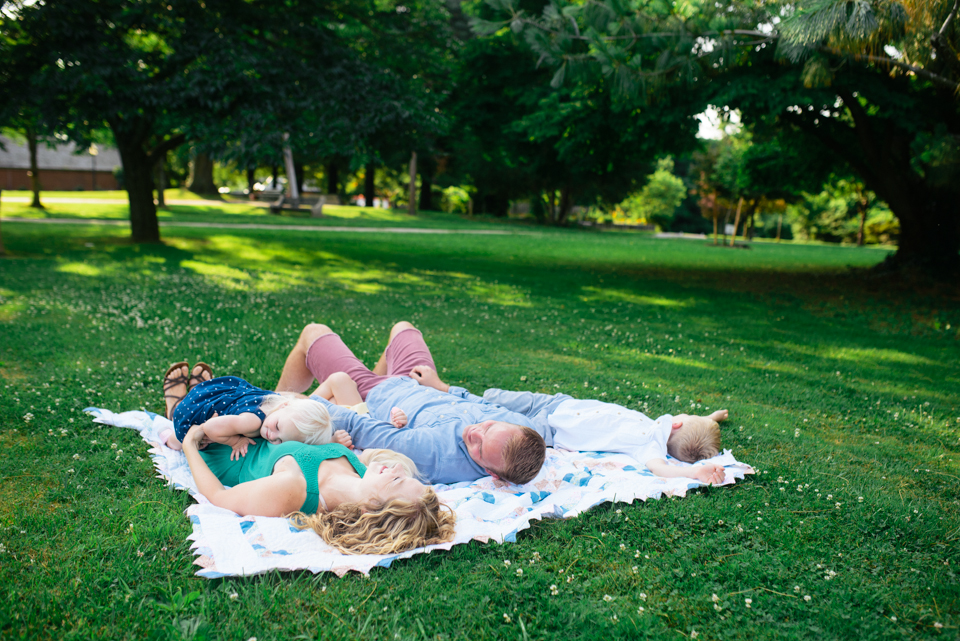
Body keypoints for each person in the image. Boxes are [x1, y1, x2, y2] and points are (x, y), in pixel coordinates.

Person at [166, 371, 456, 555]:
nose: (394, 470)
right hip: (253, 427)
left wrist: (191, 444)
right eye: (402, 474)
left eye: (396, 480)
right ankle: (192, 397)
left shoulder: (294, 490)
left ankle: (175, 410)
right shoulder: (359, 470)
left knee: (187, 421)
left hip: (219, 447)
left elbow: (220, 497)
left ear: (372, 508)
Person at [275, 322, 546, 485]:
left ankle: (272, 399)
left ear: (492, 474)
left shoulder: (436, 455)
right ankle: (375, 370)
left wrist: (287, 411)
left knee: (314, 333)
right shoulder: (522, 429)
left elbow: (365, 430)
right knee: (403, 328)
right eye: (488, 427)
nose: (475, 432)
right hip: (420, 382)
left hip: (374, 392)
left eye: (479, 446)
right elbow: (484, 405)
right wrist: (443, 387)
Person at [398, 366, 728, 485]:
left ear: (679, 422)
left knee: (490, 408)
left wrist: (692, 472)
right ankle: (443, 391)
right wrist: (712, 419)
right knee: (496, 398)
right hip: (556, 403)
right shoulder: (658, 428)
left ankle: (441, 389)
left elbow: (661, 469)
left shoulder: (651, 446)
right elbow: (688, 432)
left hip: (548, 426)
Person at [160, 363, 338, 459]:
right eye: (276, 426)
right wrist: (235, 441)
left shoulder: (277, 401)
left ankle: (191, 393)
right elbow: (210, 428)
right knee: (181, 439)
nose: (271, 435)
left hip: (211, 394)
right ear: (285, 406)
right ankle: (170, 438)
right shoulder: (252, 422)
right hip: (193, 418)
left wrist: (329, 440)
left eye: (280, 441)